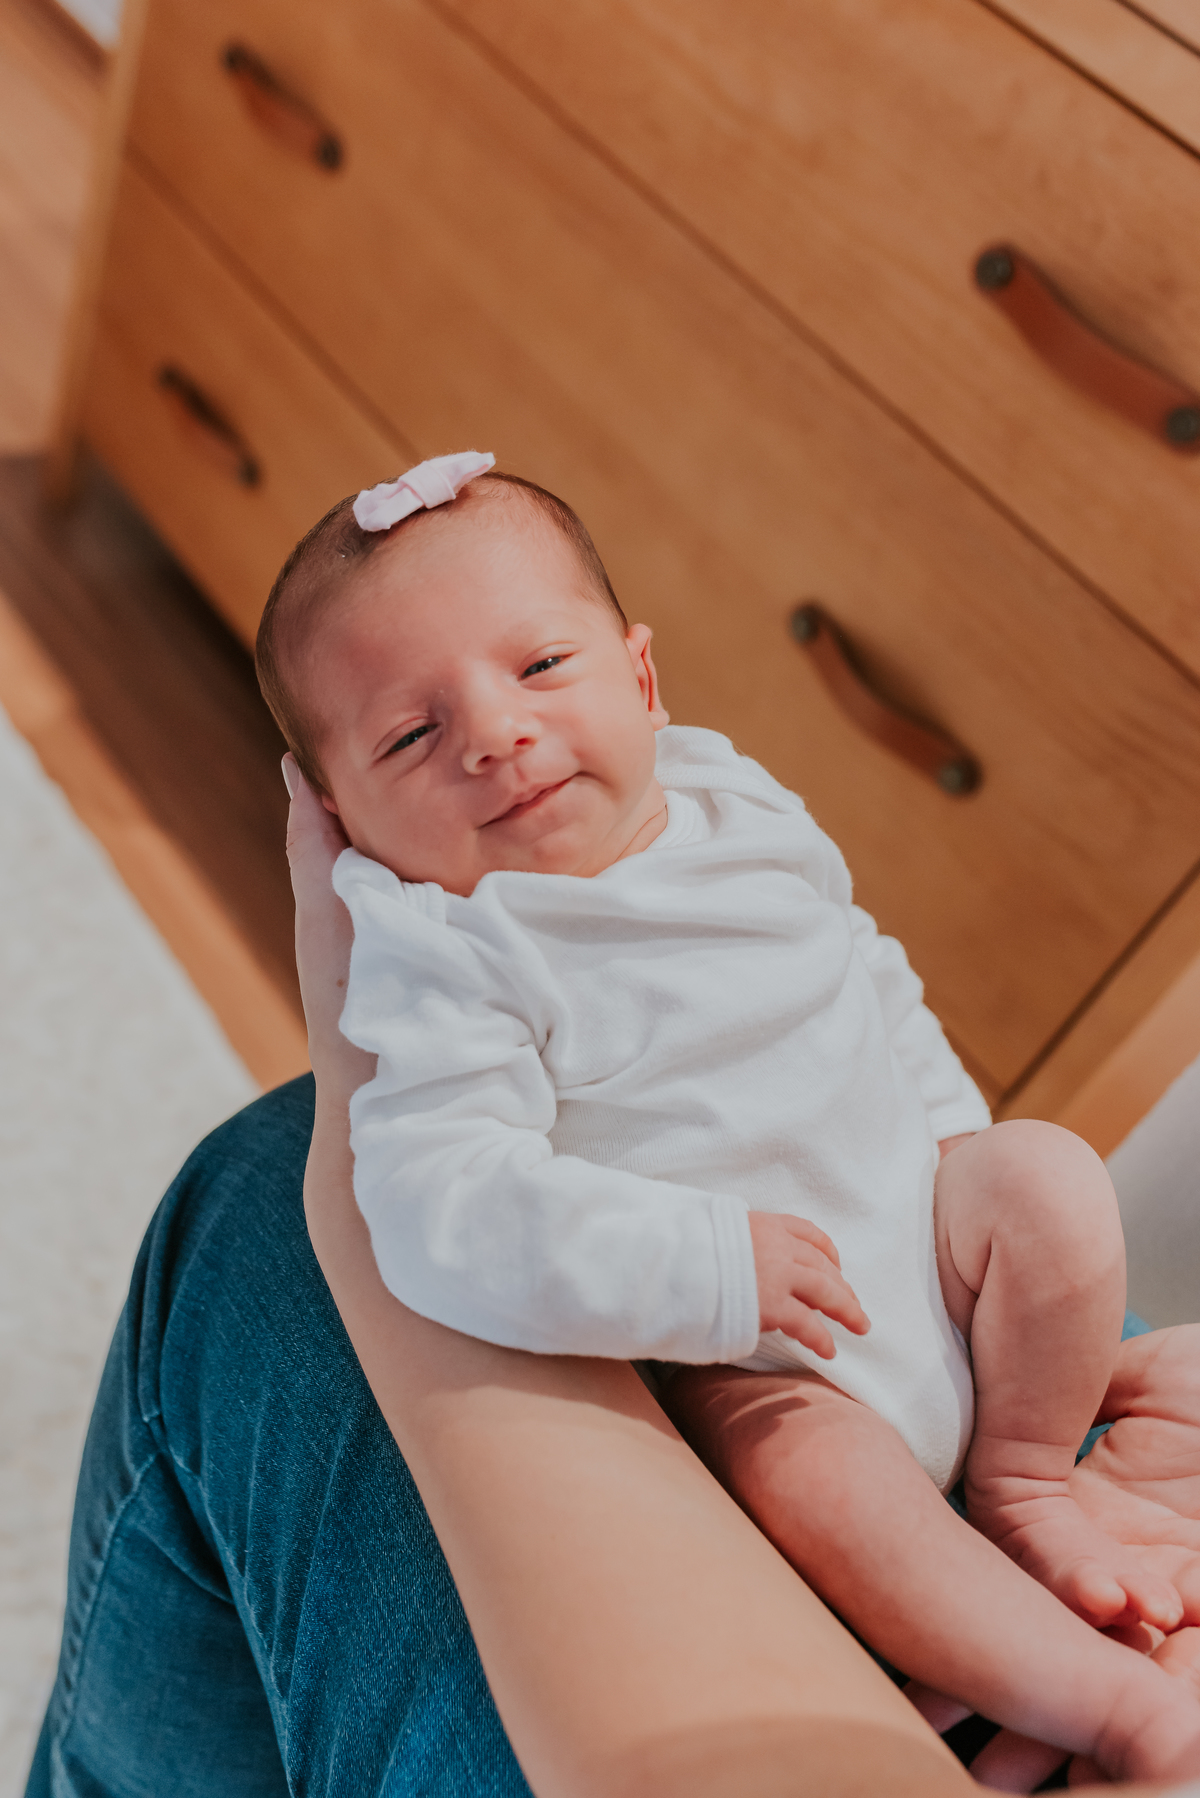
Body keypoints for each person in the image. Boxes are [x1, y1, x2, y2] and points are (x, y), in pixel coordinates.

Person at [249, 448, 1200, 1787]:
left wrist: (952, 1143)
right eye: (411, 736)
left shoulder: (733, 799)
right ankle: (1110, 1708)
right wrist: (702, 1268)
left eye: (542, 666)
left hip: (929, 1244)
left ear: (643, 680)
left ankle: (1027, 1482)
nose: (495, 735)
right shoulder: (453, 950)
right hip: (763, 1353)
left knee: (1049, 1176)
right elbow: (439, 1204)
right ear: (340, 820)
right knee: (813, 1475)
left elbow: (863, 966)